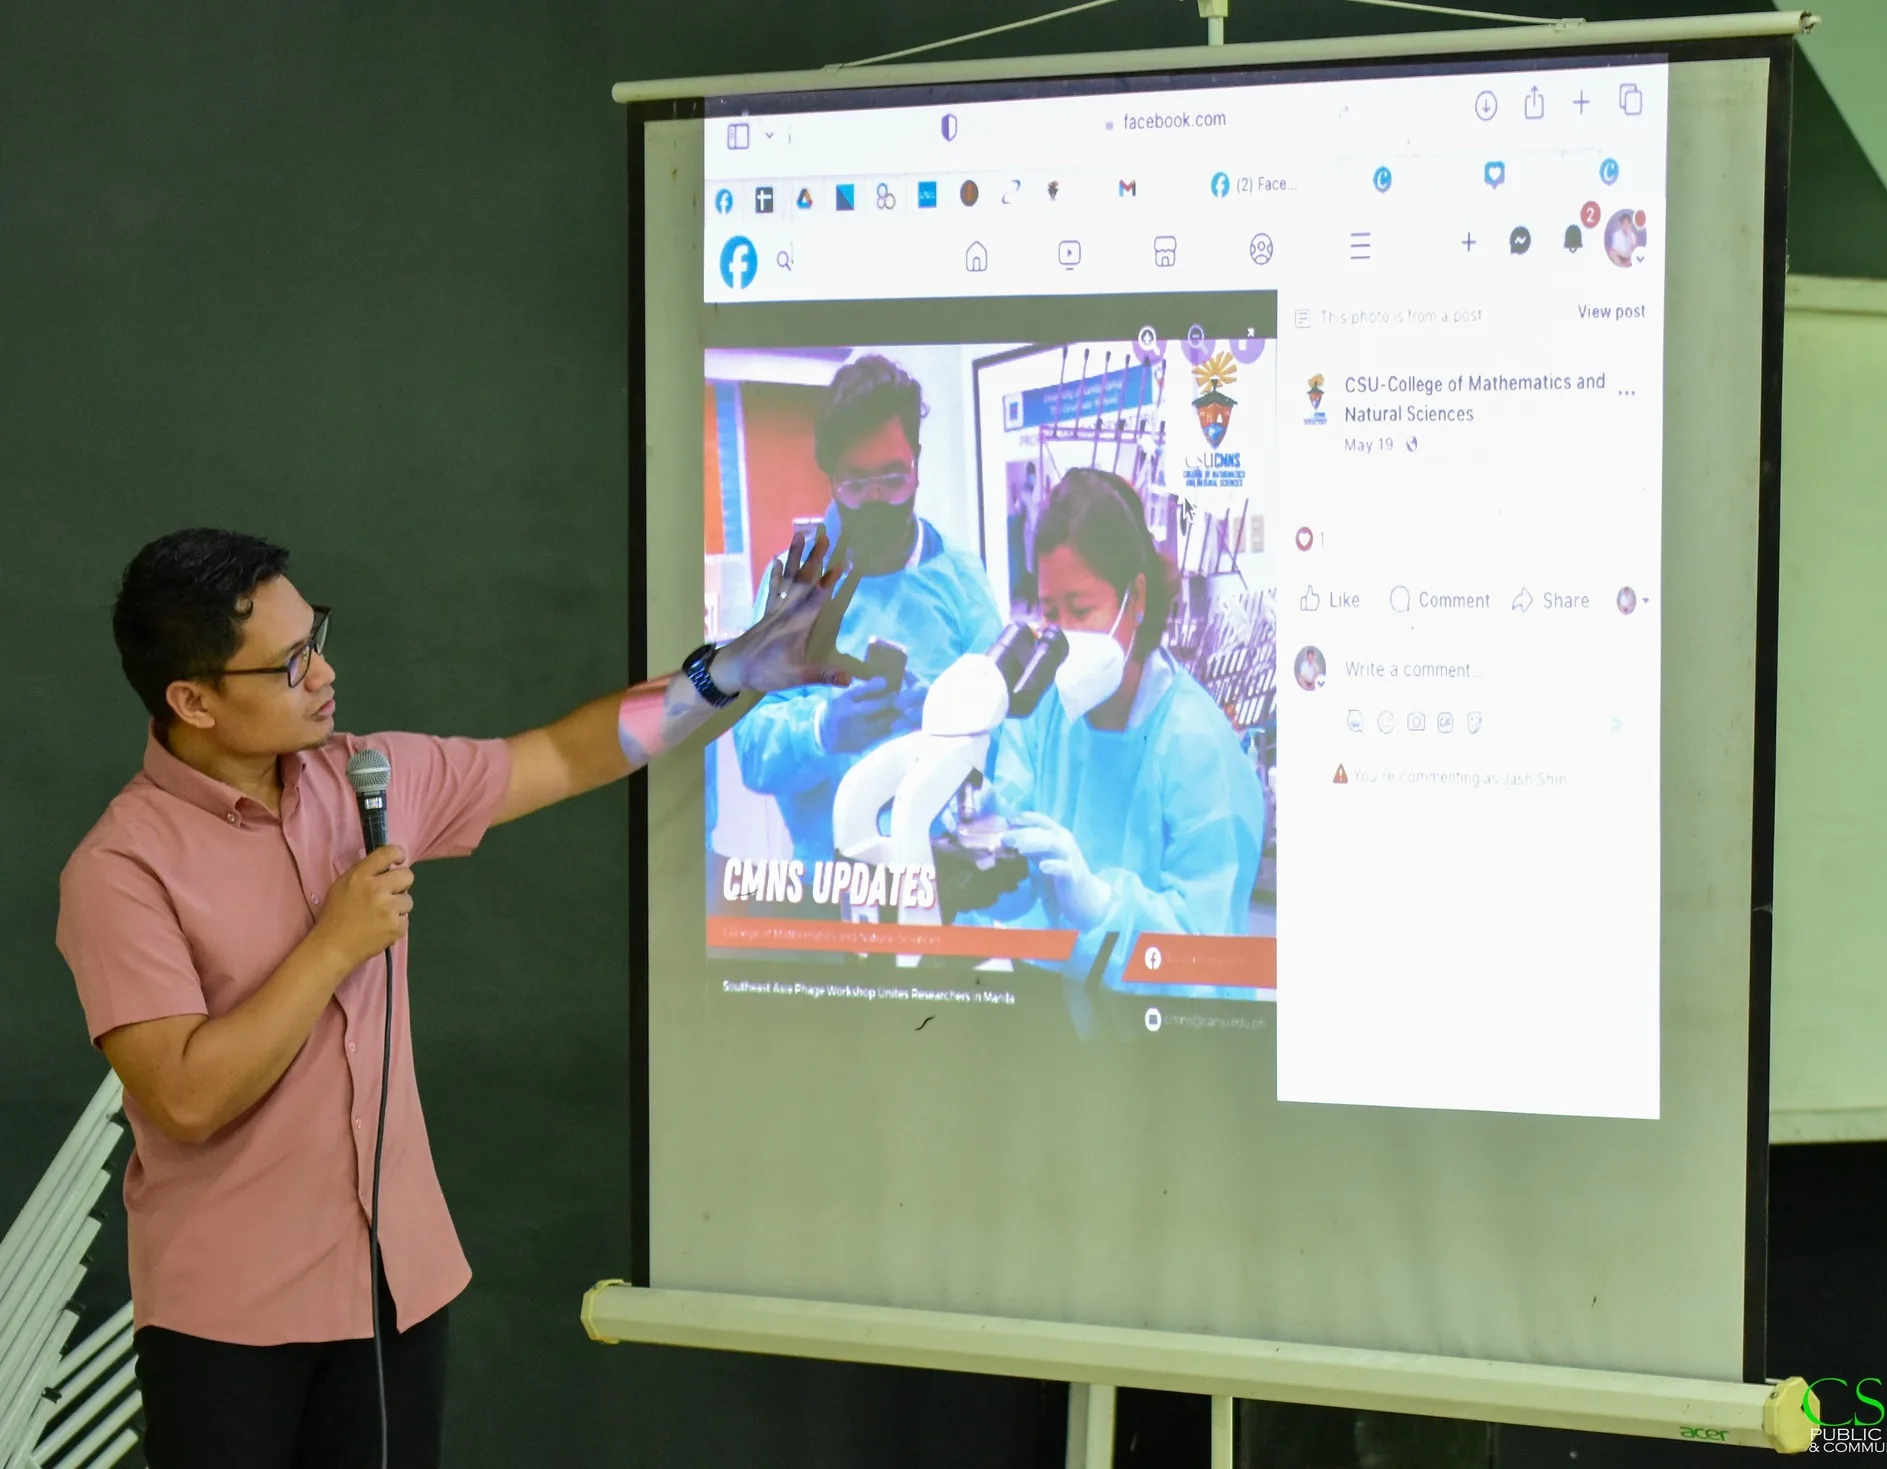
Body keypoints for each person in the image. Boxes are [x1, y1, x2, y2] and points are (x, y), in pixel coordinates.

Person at [55, 526, 854, 1469]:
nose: (324, 674)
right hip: (229, 1320)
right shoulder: (120, 868)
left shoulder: (366, 777)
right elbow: (186, 1096)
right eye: (290, 663)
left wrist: (727, 673)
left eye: (317, 638)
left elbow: (563, 755)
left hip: (394, 1288)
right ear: (193, 700)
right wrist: (332, 945)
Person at [990, 468, 1266, 1000]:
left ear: (1135, 598)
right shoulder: (1043, 713)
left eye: (1081, 609)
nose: (1063, 634)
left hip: (1169, 1033)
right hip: (1053, 1012)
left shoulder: (1196, 745)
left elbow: (1206, 954)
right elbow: (1010, 848)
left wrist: (1102, 907)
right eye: (1050, 612)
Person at [731, 355, 1003, 869]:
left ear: (917, 464)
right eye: (856, 482)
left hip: (942, 880)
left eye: (893, 477)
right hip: (828, 884)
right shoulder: (794, 584)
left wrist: (948, 722)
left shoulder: (961, 581)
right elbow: (752, 746)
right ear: (831, 478)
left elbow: (1011, 742)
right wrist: (821, 729)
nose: (877, 499)